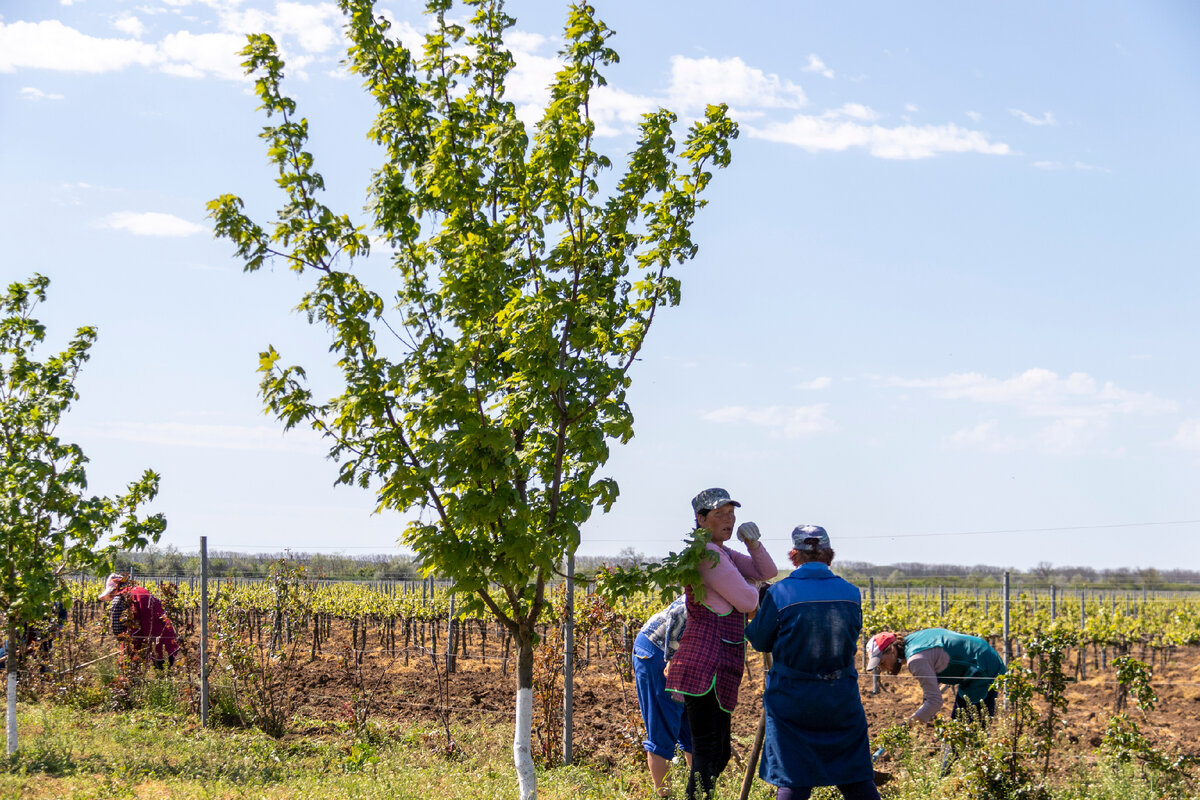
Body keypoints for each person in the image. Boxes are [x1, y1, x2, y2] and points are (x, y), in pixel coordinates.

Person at [744, 525, 880, 800]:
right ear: (829, 555)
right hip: (840, 697)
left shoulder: (781, 593)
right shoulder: (851, 593)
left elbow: (759, 641)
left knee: (794, 779)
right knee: (855, 777)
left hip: (793, 698)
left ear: (794, 556)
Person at [666, 487, 778, 800]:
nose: (729, 520)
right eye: (720, 514)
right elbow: (746, 600)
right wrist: (755, 586)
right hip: (706, 662)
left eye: (731, 513)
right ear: (701, 519)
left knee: (719, 753)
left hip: (719, 661)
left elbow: (767, 571)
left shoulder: (722, 551)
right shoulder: (708, 554)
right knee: (708, 753)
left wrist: (753, 543)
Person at [865, 627, 1006, 726]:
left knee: (968, 728)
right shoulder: (912, 640)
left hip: (982, 668)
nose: (884, 669)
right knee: (959, 728)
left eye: (882, 663)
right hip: (978, 660)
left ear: (891, 650)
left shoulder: (916, 660)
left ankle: (957, 767)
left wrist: (909, 724)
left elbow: (935, 701)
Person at [633, 596, 693, 797]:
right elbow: (678, 614)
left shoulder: (738, 593)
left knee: (694, 729)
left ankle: (697, 793)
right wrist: (672, 660)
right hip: (659, 651)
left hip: (683, 656)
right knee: (662, 728)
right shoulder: (719, 589)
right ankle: (665, 796)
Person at [98, 573, 180, 669]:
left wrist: (124, 644)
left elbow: (117, 629)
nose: (112, 595)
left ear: (116, 586)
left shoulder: (120, 597)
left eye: (111, 591)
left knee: (133, 672)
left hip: (152, 639)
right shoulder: (141, 590)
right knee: (163, 674)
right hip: (166, 634)